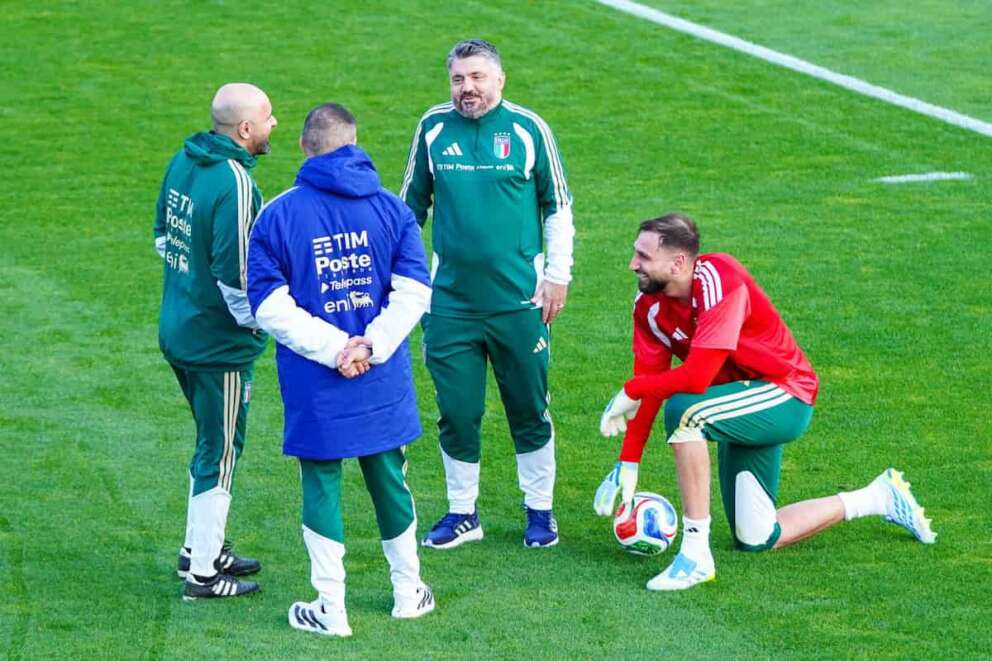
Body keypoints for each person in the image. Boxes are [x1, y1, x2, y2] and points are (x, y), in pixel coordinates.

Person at [595, 213, 936, 591]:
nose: (633, 264)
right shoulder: (649, 305)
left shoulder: (721, 279)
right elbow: (649, 380)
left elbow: (694, 379)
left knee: (684, 411)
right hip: (738, 406)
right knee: (757, 537)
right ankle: (878, 497)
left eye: (643, 256)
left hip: (785, 394)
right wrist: (628, 462)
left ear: (678, 262)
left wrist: (631, 390)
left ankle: (695, 556)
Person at [247, 103, 435, 637]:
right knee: (389, 477)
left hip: (316, 378)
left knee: (322, 484)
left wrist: (337, 351)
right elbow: (414, 292)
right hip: (380, 372)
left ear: (306, 146)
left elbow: (269, 307)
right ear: (354, 143)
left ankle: (330, 608)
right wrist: (369, 347)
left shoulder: (278, 214)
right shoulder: (392, 209)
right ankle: (407, 592)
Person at [401, 39, 575, 549]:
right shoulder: (433, 128)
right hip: (450, 304)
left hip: (519, 301)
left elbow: (557, 207)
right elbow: (409, 211)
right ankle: (462, 514)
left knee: (529, 408)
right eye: (458, 79)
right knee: (457, 411)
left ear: (500, 79)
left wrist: (557, 275)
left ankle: (540, 512)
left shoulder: (528, 129)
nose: (467, 88)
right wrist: (410, 284)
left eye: (477, 77)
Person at [154, 82, 277, 601]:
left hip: (178, 328)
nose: (276, 125)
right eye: (269, 118)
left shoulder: (184, 160)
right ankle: (203, 574)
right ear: (245, 129)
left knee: (209, 444)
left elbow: (164, 237)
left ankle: (197, 548)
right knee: (221, 453)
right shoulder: (236, 182)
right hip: (216, 346)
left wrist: (190, 289)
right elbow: (237, 277)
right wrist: (257, 326)